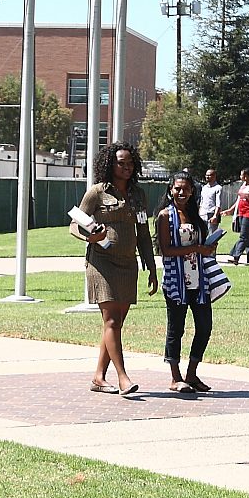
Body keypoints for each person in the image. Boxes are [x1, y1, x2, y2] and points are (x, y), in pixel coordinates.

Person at [77, 142, 158, 394]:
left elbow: (143, 232)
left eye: (130, 163)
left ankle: (98, 377)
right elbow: (76, 224)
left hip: (127, 263)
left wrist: (152, 267)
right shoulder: (97, 193)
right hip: (101, 263)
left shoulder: (138, 195)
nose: (126, 167)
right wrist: (89, 237)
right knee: (111, 320)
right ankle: (123, 378)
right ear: (110, 165)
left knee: (115, 322)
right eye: (121, 163)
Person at [157, 170, 219, 393]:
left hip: (199, 281)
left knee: (204, 327)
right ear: (171, 190)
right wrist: (196, 248)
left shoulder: (196, 217)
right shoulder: (165, 216)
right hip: (176, 282)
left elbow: (201, 246)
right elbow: (166, 250)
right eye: (177, 188)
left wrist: (208, 247)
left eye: (186, 189)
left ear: (193, 191)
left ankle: (192, 374)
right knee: (176, 329)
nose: (181, 192)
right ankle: (175, 378)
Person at [198, 168, 226, 237]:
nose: (207, 177)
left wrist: (215, 216)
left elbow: (218, 203)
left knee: (211, 236)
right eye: (206, 175)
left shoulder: (218, 188)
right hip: (203, 214)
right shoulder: (204, 188)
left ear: (214, 176)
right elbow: (201, 202)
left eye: (209, 175)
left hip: (212, 214)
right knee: (202, 235)